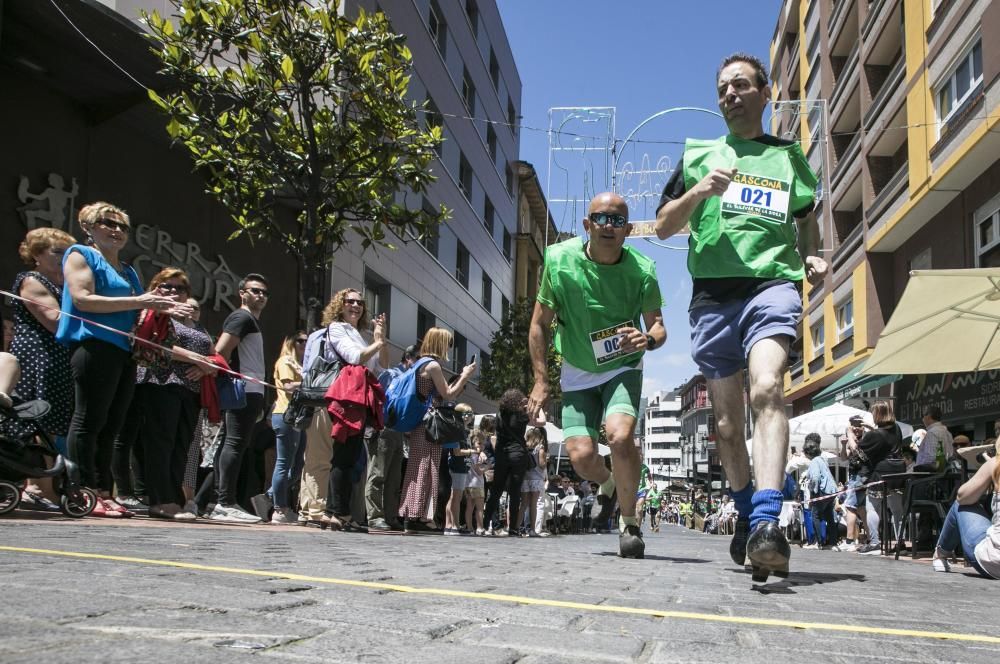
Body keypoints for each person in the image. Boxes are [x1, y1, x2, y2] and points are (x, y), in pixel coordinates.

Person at [654, 53, 826, 580]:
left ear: (765, 93)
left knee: (769, 388)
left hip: (772, 286)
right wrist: (701, 189)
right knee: (727, 425)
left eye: (741, 85)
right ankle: (748, 511)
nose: (730, 94)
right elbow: (663, 226)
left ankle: (769, 521)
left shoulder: (787, 156)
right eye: (723, 87)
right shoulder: (698, 154)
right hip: (712, 298)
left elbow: (806, 220)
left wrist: (813, 255)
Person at [527, 191, 666, 559]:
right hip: (577, 369)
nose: (608, 226)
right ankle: (606, 484)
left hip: (622, 366)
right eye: (601, 218)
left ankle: (630, 523)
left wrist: (647, 340)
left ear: (628, 229)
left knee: (620, 437)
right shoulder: (558, 261)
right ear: (587, 225)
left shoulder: (643, 270)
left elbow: (659, 328)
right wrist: (541, 380)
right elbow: (538, 325)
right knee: (580, 457)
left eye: (618, 220)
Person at [58, 202, 192, 518]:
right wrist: (141, 300)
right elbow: (82, 299)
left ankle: (103, 491)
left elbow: (134, 311)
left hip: (123, 351)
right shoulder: (80, 254)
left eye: (122, 227)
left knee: (112, 424)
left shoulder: (128, 270)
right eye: (107, 223)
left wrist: (161, 308)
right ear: (89, 227)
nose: (116, 230)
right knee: (89, 419)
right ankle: (83, 488)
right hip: (94, 346)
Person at [129, 268, 215, 520]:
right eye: (166, 286)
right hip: (160, 383)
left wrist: (204, 367)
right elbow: (152, 343)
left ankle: (175, 498)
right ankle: (159, 499)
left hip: (190, 390)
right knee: (160, 442)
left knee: (182, 446)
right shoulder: (152, 314)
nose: (173, 292)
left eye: (179, 288)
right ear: (155, 287)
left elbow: (213, 354)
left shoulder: (196, 324)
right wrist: (196, 359)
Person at [9, 227, 75, 510]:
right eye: (56, 252)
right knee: (39, 417)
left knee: (56, 419)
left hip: (59, 357)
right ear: (36, 255)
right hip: (38, 355)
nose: (63, 259)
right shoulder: (31, 281)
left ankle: (49, 485)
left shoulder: (64, 287)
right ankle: (37, 486)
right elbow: (53, 320)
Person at [319, 288, 388, 530]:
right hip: (346, 396)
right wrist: (376, 343)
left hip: (357, 397)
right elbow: (355, 358)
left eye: (360, 302)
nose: (356, 305)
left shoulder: (359, 333)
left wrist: (380, 338)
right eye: (350, 301)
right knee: (345, 456)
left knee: (346, 455)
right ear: (340, 304)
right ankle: (341, 513)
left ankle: (331, 512)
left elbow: (382, 366)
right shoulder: (337, 328)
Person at [204, 273, 270, 523]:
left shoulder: (250, 320)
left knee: (230, 445)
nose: (260, 295)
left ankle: (213, 501)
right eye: (255, 290)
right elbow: (221, 351)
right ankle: (225, 502)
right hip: (243, 389)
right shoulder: (242, 317)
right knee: (234, 444)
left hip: (251, 391)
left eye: (264, 292)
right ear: (242, 293)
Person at [399, 327, 476, 532]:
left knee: (421, 468)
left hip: (420, 424)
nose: (449, 348)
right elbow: (448, 394)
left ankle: (415, 515)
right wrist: (466, 375)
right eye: (448, 343)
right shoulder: (432, 365)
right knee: (425, 468)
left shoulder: (420, 363)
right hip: (428, 426)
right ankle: (417, 517)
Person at [840, 401, 903, 554]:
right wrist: (869, 427)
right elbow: (885, 437)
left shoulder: (874, 435)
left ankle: (874, 542)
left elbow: (857, 451)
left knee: (872, 507)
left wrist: (849, 434)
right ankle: (901, 543)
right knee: (897, 509)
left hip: (880, 472)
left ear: (877, 415)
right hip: (898, 471)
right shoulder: (896, 429)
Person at [931, 439, 1000, 578]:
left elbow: (963, 497)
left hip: (993, 562)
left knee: (960, 504)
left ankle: (940, 555)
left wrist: (987, 468)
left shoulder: (995, 464)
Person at [366, 344, 417, 532]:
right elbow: (379, 399)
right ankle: (375, 516)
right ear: (409, 358)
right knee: (378, 474)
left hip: (398, 431)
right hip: (384, 428)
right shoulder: (392, 374)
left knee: (394, 478)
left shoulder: (411, 378)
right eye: (417, 360)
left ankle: (390, 516)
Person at [483, 388, 533, 537]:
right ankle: (513, 528)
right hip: (517, 454)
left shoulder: (499, 415)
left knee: (496, 491)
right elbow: (541, 420)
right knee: (515, 492)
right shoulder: (521, 416)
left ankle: (484, 525)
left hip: (502, 454)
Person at [268, 332, 307, 524]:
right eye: (300, 340)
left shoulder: (300, 365)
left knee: (298, 465)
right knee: (284, 463)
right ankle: (279, 508)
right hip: (286, 415)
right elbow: (288, 387)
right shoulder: (286, 361)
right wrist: (310, 383)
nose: (304, 344)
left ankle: (270, 495)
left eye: (307, 341)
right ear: (290, 341)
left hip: (298, 419)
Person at [442, 403, 476, 536]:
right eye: (466, 414)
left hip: (461, 466)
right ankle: (454, 525)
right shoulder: (458, 429)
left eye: (470, 414)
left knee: (454, 496)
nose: (469, 416)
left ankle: (449, 525)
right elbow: (457, 452)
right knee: (456, 497)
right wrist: (472, 451)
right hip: (457, 465)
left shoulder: (464, 430)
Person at [802, 433, 836, 549]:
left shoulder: (814, 462)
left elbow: (815, 478)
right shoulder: (823, 459)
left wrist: (813, 493)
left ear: (807, 453)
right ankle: (832, 543)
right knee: (829, 516)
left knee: (815, 515)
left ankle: (818, 543)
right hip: (831, 491)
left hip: (822, 492)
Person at [518, 425, 549, 537]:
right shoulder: (539, 448)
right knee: (533, 504)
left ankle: (516, 527)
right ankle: (532, 529)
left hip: (525, 478)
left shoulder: (525, 447)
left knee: (523, 504)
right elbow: (541, 465)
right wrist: (546, 461)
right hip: (536, 478)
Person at [465, 429, 489, 535]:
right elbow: (479, 472)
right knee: (479, 508)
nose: (482, 446)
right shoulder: (476, 456)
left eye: (483, 443)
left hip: (468, 483)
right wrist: (488, 466)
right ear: (473, 443)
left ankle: (470, 527)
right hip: (477, 484)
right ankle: (480, 527)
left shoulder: (469, 455)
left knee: (470, 507)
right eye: (479, 443)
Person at [915, 405, 954, 471]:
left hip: (930, 476)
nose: (922, 419)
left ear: (929, 416)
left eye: (923, 416)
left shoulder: (932, 432)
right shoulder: (947, 433)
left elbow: (930, 458)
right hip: (944, 473)